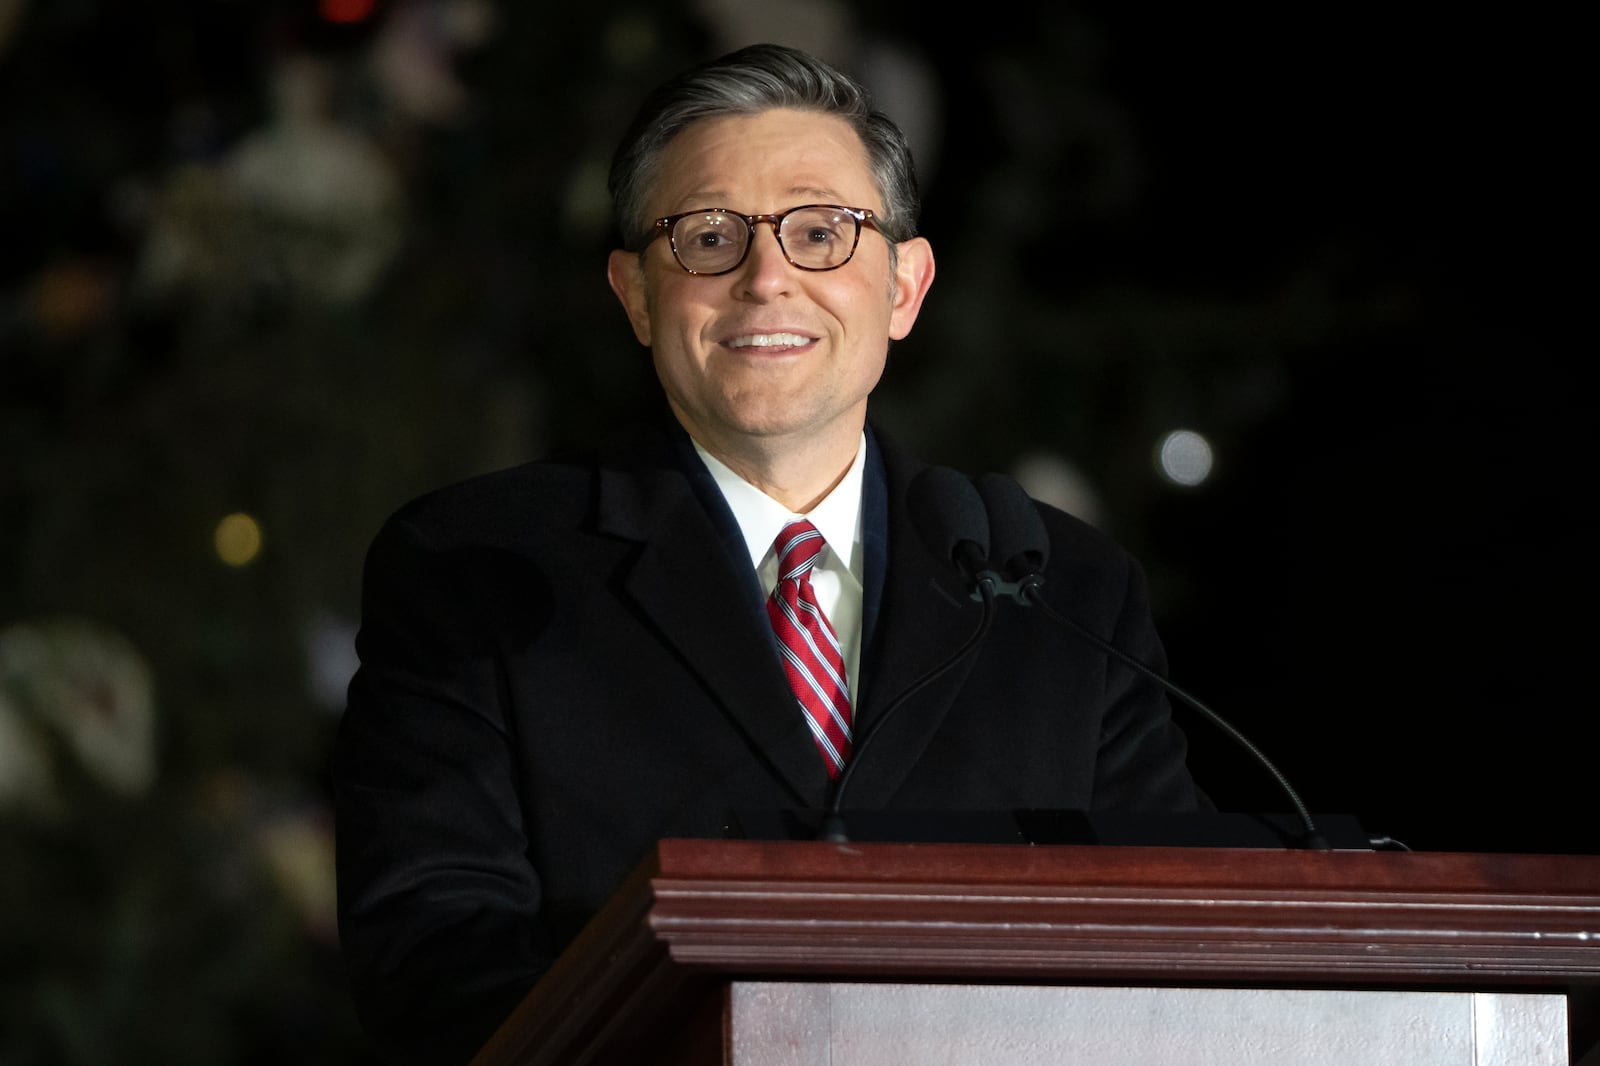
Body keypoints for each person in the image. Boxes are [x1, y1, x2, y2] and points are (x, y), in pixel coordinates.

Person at [333, 42, 1206, 1065]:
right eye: (707, 236)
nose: (766, 278)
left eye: (821, 232)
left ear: (904, 287)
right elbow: (434, 947)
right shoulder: (479, 565)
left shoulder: (1061, 588)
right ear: (635, 294)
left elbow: (1176, 933)